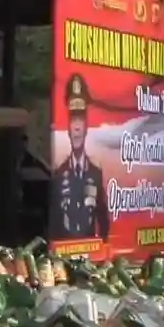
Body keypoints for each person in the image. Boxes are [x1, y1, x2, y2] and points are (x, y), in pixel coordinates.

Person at [52, 73, 110, 240]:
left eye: (80, 120)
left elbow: (102, 217)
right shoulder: (59, 173)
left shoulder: (95, 173)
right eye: (73, 120)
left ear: (86, 127)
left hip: (89, 255)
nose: (77, 127)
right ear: (68, 129)